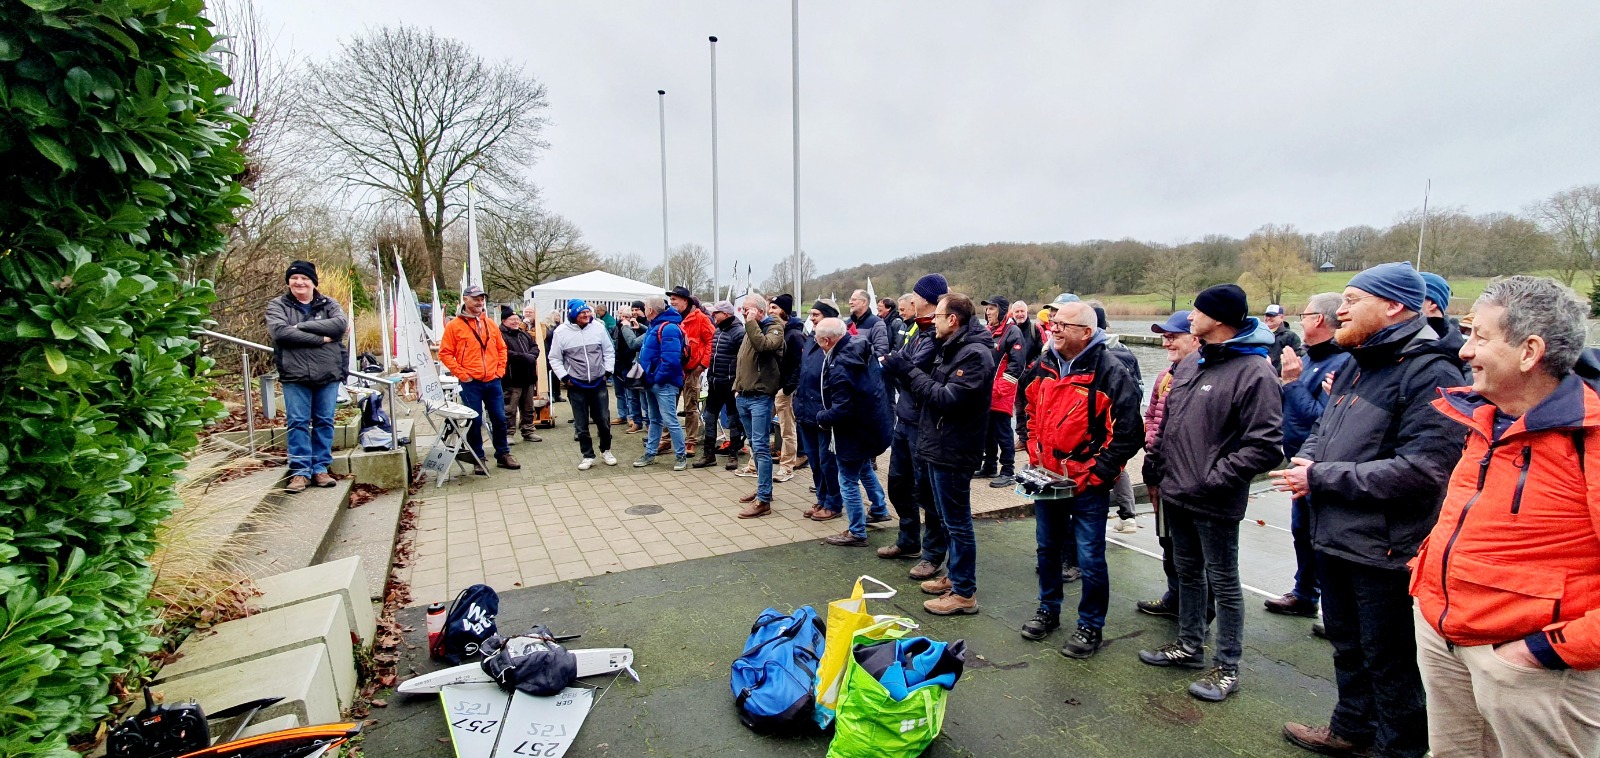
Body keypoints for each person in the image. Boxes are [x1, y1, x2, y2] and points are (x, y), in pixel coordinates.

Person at [1274, 262, 1468, 757]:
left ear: (1394, 306)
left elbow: (1425, 470)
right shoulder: (1355, 363)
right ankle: (1350, 729)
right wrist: (1308, 460)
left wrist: (1321, 477)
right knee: (1347, 644)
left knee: (1390, 660)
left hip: (1386, 547)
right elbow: (1323, 430)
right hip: (1338, 534)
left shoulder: (1431, 372)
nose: (1339, 311)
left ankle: (1396, 749)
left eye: (1352, 300)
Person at [1411, 276, 1600, 758]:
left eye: (1480, 336)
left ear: (1529, 351)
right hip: (1445, 637)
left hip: (1531, 666)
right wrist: (1427, 589)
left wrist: (1543, 651)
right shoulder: (1482, 416)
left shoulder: (1590, 437)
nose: (1465, 351)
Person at [1137, 284, 1281, 703]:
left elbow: (1266, 446)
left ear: (1218, 319)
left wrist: (1213, 479)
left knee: (1224, 582)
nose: (1190, 317)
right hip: (1176, 492)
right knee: (1187, 573)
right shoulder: (1192, 363)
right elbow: (1169, 424)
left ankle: (1227, 666)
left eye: (1197, 311)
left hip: (1214, 499)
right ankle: (1189, 645)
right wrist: (1157, 464)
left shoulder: (1255, 372)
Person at [1014, 301, 1143, 657]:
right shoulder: (1043, 364)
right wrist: (1033, 448)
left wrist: (1099, 474)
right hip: (1047, 478)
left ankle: (1090, 626)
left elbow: (1129, 432)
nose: (1054, 328)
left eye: (1063, 325)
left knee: (1090, 557)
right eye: (1053, 323)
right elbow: (1026, 405)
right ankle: (1048, 609)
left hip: (1088, 485)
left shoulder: (1111, 371)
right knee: (1047, 549)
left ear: (1087, 332)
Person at [884, 292, 995, 616]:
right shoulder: (953, 347)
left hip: (955, 449)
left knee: (958, 523)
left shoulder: (975, 355)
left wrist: (909, 371)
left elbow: (947, 399)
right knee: (947, 519)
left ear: (953, 320)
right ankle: (955, 577)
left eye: (938, 317)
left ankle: (964, 592)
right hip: (939, 444)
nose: (933, 322)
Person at [1261, 293, 1350, 621]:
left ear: (1320, 320)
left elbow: (1323, 420)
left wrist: (1292, 383)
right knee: (1302, 531)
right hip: (1299, 460)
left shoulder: (1341, 364)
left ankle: (1336, 609)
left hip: (1322, 467)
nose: (1300, 321)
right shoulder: (1310, 358)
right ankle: (1304, 594)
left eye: (1305, 315)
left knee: (1324, 537)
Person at [1133, 311, 1206, 621]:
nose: (1166, 343)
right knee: (1167, 539)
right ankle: (1174, 598)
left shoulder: (1206, 376)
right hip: (1160, 471)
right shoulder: (1165, 376)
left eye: (1173, 337)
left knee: (1195, 550)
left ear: (1196, 338)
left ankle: (1200, 613)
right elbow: (1150, 415)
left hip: (1189, 476)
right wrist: (1153, 441)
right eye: (1164, 337)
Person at [878, 277, 948, 568]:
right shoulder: (917, 329)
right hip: (904, 418)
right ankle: (908, 540)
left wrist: (897, 365)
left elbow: (910, 368)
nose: (911, 301)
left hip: (924, 424)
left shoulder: (936, 334)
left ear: (926, 299)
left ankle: (932, 554)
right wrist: (896, 364)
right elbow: (899, 361)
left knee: (926, 492)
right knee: (898, 484)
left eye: (916, 296)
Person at [265, 260, 348, 493]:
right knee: (298, 422)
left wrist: (300, 327)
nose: (299, 282)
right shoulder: (277, 305)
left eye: (304, 278)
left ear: (313, 282)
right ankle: (300, 471)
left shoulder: (329, 304)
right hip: (295, 373)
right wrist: (321, 338)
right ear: (288, 282)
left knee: (324, 421)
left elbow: (339, 326)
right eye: (294, 278)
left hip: (328, 372)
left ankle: (320, 468)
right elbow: (280, 333)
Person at [816, 317, 894, 546]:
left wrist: (821, 418)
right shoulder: (860, 348)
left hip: (854, 431)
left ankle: (857, 531)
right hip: (871, 425)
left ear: (827, 341)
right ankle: (879, 508)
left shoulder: (840, 365)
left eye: (818, 340)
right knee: (864, 468)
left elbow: (842, 408)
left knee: (847, 479)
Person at [439, 285, 519, 473]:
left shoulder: (490, 323)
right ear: (465, 299)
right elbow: (445, 353)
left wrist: (499, 370)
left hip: (493, 380)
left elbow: (502, 348)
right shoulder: (454, 326)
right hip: (470, 383)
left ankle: (503, 454)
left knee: (500, 418)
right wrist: (461, 374)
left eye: (481, 298)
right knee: (474, 421)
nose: (479, 302)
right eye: (475, 298)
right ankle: (478, 458)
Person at [1090, 301, 1144, 534]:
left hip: (1101, 421)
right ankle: (1128, 515)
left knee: (1109, 463)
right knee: (1119, 465)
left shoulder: (1098, 355)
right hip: (1123, 419)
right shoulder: (1125, 350)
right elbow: (1139, 386)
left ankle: (1117, 516)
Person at [733, 294, 786, 517]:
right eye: (743, 309)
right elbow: (742, 360)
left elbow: (764, 346)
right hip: (744, 395)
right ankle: (764, 488)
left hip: (760, 397)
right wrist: (737, 387)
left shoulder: (774, 328)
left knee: (762, 447)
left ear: (760, 311)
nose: (744, 312)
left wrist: (751, 323)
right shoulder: (751, 328)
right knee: (755, 445)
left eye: (747, 309)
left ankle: (763, 500)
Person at [547, 299, 616, 470]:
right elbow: (554, 358)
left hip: (598, 382)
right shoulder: (561, 332)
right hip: (576, 385)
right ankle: (588, 455)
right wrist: (565, 378)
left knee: (603, 420)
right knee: (581, 423)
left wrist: (607, 372)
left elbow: (609, 351)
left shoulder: (598, 328)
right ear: (573, 314)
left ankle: (606, 450)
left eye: (587, 312)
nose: (586, 315)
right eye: (582, 313)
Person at [796, 301, 843, 522]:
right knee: (814, 461)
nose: (812, 318)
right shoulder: (811, 341)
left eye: (816, 314)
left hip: (824, 415)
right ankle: (822, 498)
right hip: (806, 412)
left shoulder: (835, 345)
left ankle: (833, 503)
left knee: (827, 462)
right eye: (811, 314)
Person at [635, 296, 688, 469]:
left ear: (651, 310)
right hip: (652, 381)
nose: (643, 309)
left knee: (669, 420)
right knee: (655, 419)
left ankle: (681, 456)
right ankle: (650, 453)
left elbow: (671, 360)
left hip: (663, 383)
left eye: (645, 307)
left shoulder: (668, 328)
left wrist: (656, 378)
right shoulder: (655, 325)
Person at [979, 295, 1025, 488]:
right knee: (987, 431)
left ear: (1002, 310)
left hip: (1001, 393)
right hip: (987, 391)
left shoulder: (1013, 331)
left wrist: (999, 389)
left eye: (992, 308)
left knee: (1003, 432)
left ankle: (1008, 470)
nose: (988, 312)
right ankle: (989, 465)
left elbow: (1017, 365)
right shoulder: (988, 330)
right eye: (987, 308)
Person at [693, 301, 745, 470]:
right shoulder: (717, 330)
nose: (713, 315)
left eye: (716, 313)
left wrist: (737, 382)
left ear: (726, 314)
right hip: (715, 382)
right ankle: (708, 455)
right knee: (709, 418)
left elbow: (743, 360)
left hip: (730, 384)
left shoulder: (739, 332)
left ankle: (733, 455)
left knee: (733, 420)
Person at [669, 286, 713, 457]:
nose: (672, 302)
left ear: (685, 301)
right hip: (673, 370)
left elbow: (711, 341)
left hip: (692, 370)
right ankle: (665, 441)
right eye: (671, 299)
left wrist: (702, 365)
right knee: (668, 406)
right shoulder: (671, 318)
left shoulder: (700, 318)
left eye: (674, 299)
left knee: (690, 407)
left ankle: (690, 442)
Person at [772, 294, 808, 480]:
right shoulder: (776, 332)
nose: (771, 311)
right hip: (772, 387)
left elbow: (799, 364)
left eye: (775, 308)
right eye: (770, 307)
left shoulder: (794, 335)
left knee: (788, 428)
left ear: (784, 311)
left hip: (785, 389)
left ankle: (787, 466)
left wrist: (788, 388)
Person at [500, 307, 544, 444]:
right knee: (509, 408)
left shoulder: (523, 334)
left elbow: (535, 347)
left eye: (517, 319)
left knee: (528, 407)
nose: (515, 322)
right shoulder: (500, 335)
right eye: (512, 319)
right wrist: (524, 357)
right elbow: (505, 353)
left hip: (528, 378)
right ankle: (508, 433)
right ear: (504, 321)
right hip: (511, 379)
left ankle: (528, 431)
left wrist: (532, 355)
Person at [612, 301, 648, 434]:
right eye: (632, 310)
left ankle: (648, 423)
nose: (634, 313)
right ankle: (636, 421)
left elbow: (633, 344)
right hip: (629, 364)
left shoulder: (644, 325)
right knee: (632, 395)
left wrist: (629, 328)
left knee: (644, 397)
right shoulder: (622, 327)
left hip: (639, 364)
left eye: (636, 310)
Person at [846, 289, 891, 358]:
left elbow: (881, 351)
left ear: (864, 302)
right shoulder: (848, 322)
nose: (850, 302)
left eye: (854, 300)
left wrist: (860, 361)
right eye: (850, 300)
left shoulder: (877, 323)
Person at [1264, 304, 1305, 375]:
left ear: (1281, 317)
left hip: (1280, 376)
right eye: (1267, 315)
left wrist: (1274, 372)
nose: (1268, 318)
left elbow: (1298, 357)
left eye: (1272, 315)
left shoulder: (1290, 336)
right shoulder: (1259, 334)